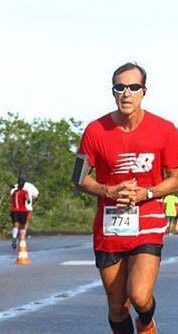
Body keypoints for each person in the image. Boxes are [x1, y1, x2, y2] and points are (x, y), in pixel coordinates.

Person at [74, 62, 178, 334]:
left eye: (133, 87)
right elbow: (78, 178)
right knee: (118, 307)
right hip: (110, 226)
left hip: (148, 221)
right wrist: (108, 191)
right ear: (113, 92)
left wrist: (148, 192)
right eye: (120, 87)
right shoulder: (95, 130)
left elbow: (176, 177)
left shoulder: (165, 129)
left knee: (140, 296)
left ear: (144, 91)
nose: (126, 93)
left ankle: (146, 323)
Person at [10, 174, 39, 239]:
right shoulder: (31, 186)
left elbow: (11, 198)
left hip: (15, 209)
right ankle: (22, 239)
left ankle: (16, 238)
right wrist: (31, 200)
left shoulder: (15, 186)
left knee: (16, 224)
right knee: (24, 224)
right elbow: (36, 195)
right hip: (27, 209)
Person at [10, 177, 29, 250]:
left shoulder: (14, 192)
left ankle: (14, 238)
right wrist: (28, 201)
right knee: (22, 227)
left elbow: (11, 200)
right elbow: (27, 199)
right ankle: (21, 240)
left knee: (15, 226)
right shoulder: (25, 192)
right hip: (23, 211)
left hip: (14, 210)